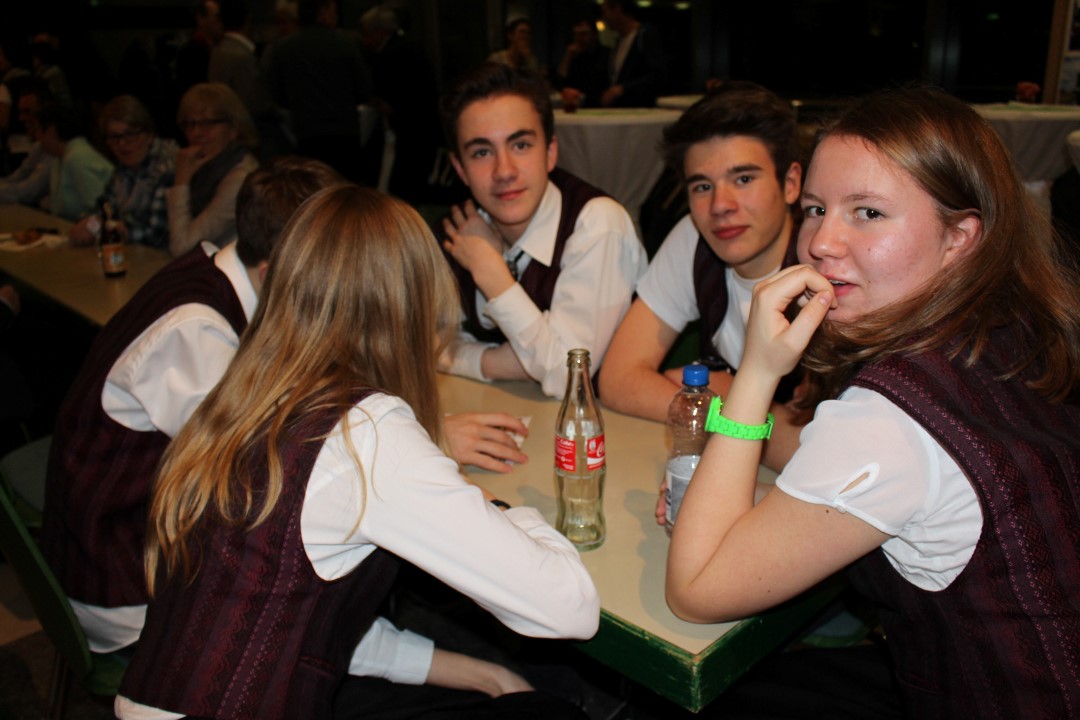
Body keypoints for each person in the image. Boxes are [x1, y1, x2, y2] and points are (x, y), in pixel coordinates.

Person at [666, 87, 1080, 718]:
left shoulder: (890, 419)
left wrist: (755, 373)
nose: (821, 242)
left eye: (867, 212)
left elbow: (695, 589)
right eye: (815, 209)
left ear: (959, 237)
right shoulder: (1013, 333)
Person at [114, 185, 599, 720]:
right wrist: (496, 511)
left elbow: (298, 618)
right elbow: (570, 608)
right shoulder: (365, 432)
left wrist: (486, 675)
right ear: (409, 306)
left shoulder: (244, 397)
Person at [599, 83, 803, 470]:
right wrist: (724, 408)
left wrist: (729, 396)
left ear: (790, 184)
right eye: (703, 186)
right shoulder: (694, 238)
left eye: (744, 179)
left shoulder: (830, 268)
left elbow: (827, 454)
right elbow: (618, 379)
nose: (720, 205)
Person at [438, 62, 646, 398]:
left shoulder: (597, 225)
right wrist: (496, 363)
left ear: (550, 152)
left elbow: (568, 378)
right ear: (460, 169)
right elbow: (423, 344)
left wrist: (490, 270)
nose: (504, 171)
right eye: (482, 152)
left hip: (603, 425)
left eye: (520, 145)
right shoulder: (461, 228)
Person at [267, 0, 375, 184]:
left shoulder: (284, 48)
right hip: (344, 132)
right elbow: (364, 90)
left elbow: (278, 95)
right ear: (323, 11)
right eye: (333, 10)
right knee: (345, 189)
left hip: (306, 132)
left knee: (314, 188)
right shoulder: (345, 44)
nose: (336, 15)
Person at [68, 95, 177, 249]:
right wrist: (88, 224)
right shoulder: (124, 169)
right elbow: (103, 207)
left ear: (149, 135)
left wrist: (118, 229)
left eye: (130, 135)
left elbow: (157, 235)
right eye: (114, 137)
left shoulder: (167, 168)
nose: (122, 144)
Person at [167, 81, 259, 256]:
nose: (196, 133)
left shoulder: (240, 177)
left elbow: (182, 246)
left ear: (233, 128)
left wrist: (181, 181)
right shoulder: (204, 166)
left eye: (207, 123)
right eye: (190, 124)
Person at [35, 100, 113, 221]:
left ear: (51, 131)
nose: (36, 137)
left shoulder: (78, 158)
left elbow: (105, 210)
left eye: (38, 130)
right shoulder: (61, 159)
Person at [597, 0, 667, 107]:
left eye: (605, 12)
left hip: (640, 109)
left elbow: (658, 76)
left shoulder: (644, 36)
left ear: (617, 9)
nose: (604, 17)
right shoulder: (618, 42)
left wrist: (623, 89)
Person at [0, 81, 55, 206]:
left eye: (27, 111)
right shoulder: (39, 147)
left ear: (43, 112)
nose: (21, 118)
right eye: (20, 112)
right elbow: (15, 179)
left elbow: (27, 193)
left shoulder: (55, 150)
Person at [555, 19, 609, 110]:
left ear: (594, 35)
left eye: (583, 34)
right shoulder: (574, 57)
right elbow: (560, 84)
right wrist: (567, 57)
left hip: (600, 108)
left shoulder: (606, 55)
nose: (579, 38)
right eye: (576, 34)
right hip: (576, 109)